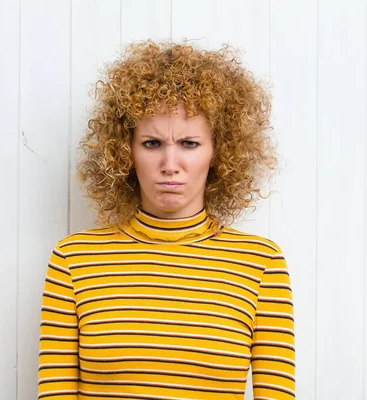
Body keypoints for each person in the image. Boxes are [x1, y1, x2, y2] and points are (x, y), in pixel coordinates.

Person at [37, 40, 295, 400]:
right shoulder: (74, 260)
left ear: (219, 151)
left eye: (189, 143)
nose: (170, 164)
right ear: (125, 150)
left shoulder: (260, 264)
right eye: (152, 143)